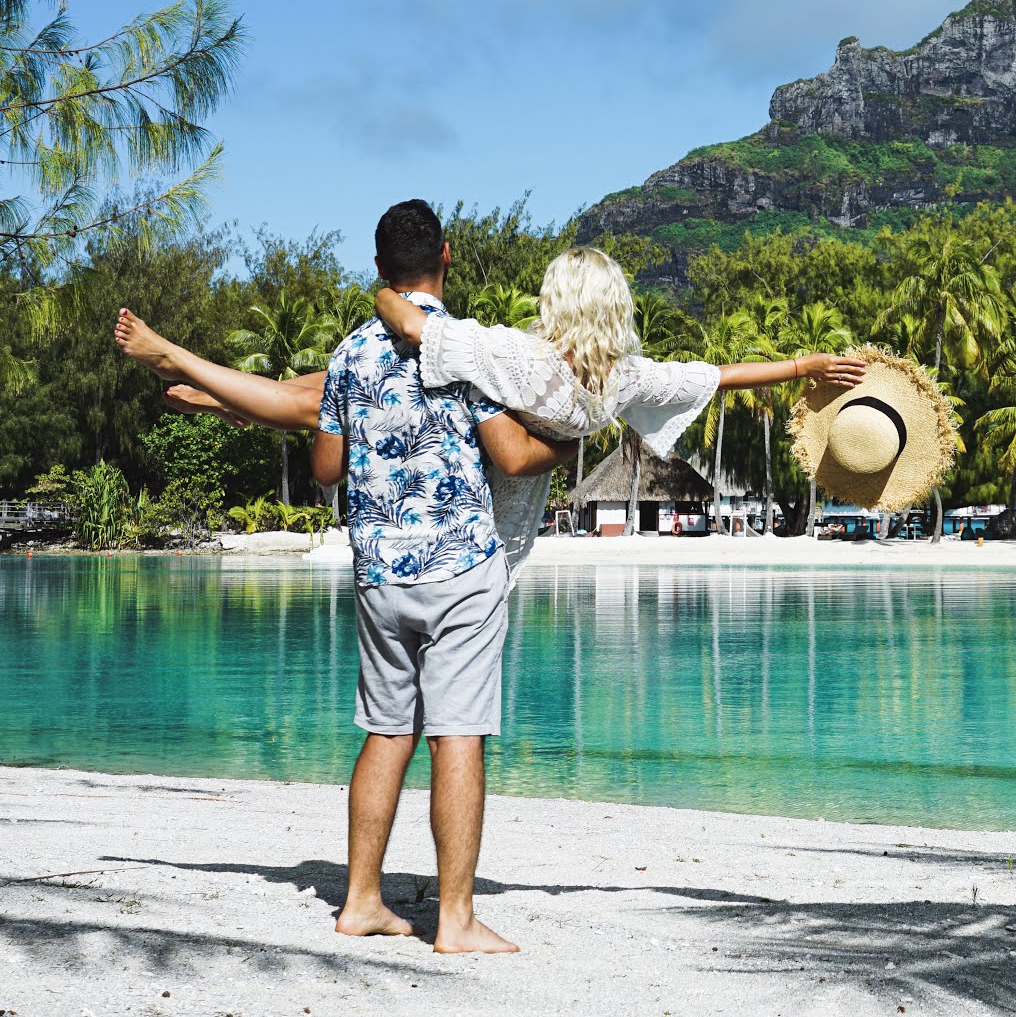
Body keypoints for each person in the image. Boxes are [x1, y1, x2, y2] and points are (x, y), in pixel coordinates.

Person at [115, 246, 866, 562]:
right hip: (493, 520)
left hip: (469, 469)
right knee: (321, 397)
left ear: (556, 302)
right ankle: (223, 402)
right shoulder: (625, 377)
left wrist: (382, 283)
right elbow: (714, 374)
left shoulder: (517, 354)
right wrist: (803, 366)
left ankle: (197, 374)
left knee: (326, 395)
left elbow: (406, 318)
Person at [313, 200, 571, 954]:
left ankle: (361, 899)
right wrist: (575, 441)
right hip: (459, 566)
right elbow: (515, 456)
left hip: (380, 573)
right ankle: (453, 918)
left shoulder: (349, 353)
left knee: (386, 731)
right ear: (447, 256)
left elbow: (327, 467)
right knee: (457, 733)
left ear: (378, 267)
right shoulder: (462, 349)